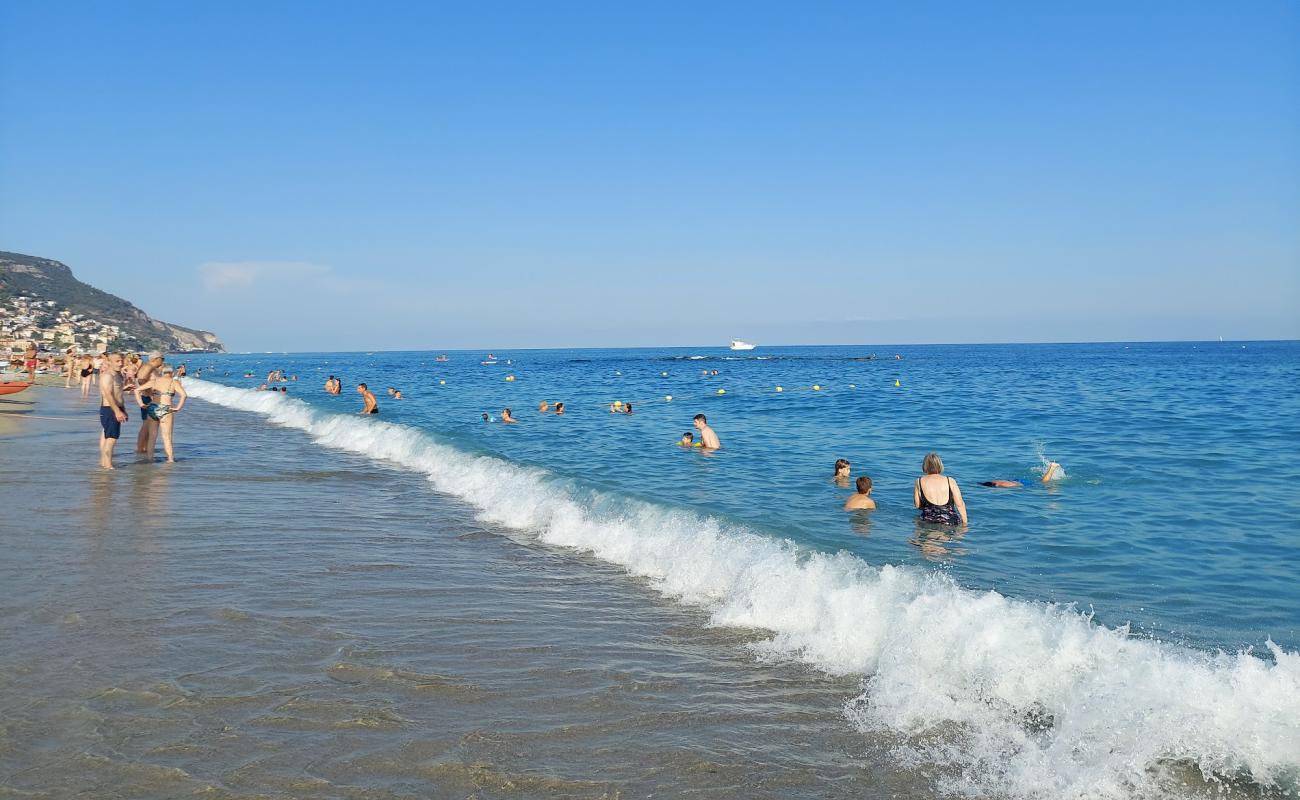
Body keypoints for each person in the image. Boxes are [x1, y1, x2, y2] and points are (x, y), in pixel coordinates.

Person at [134, 366, 187, 462]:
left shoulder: (155, 381)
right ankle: (170, 459)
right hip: (166, 408)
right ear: (171, 373)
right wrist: (178, 408)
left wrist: (141, 404)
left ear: (162, 372)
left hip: (153, 407)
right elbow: (184, 395)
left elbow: (136, 390)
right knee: (167, 437)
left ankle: (150, 458)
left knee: (152, 436)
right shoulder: (173, 382)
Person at [914, 452, 967, 525]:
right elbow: (960, 504)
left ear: (924, 466)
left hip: (929, 520)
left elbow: (917, 505)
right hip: (950, 520)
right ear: (940, 465)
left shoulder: (919, 481)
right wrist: (965, 524)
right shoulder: (950, 481)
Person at [97, 353, 129, 469]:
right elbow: (108, 394)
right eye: (117, 361)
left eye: (121, 361)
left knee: (110, 438)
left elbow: (119, 395)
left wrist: (123, 409)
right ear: (109, 362)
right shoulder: (107, 376)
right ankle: (108, 466)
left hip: (117, 408)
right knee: (111, 439)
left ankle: (105, 463)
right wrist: (117, 411)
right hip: (109, 409)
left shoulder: (119, 375)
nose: (120, 363)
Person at [135, 354, 165, 455]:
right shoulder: (148, 366)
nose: (163, 361)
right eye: (162, 358)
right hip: (148, 399)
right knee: (147, 425)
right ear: (156, 359)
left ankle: (145, 448)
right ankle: (140, 449)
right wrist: (149, 392)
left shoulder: (151, 367)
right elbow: (141, 379)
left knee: (148, 425)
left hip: (151, 398)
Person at [982, 462, 1063, 488]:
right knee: (1041, 482)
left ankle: (1052, 467)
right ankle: (1051, 468)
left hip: (1017, 483)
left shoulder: (1000, 485)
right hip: (1014, 481)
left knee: (1042, 483)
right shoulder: (993, 483)